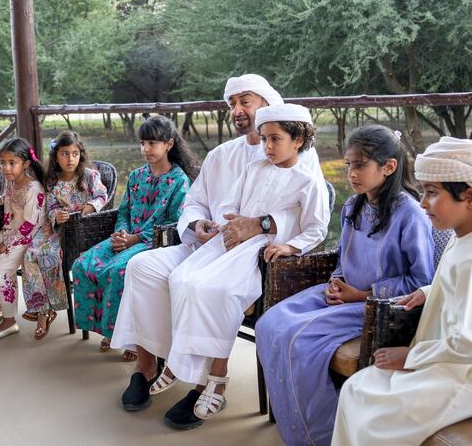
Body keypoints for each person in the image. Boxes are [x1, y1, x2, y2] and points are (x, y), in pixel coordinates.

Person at [112, 75, 324, 428]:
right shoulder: (223, 155)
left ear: (268, 105)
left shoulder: (300, 157)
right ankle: (150, 365)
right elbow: (195, 203)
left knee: (207, 287)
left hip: (252, 252)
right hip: (206, 244)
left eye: (246, 101)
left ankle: (203, 383)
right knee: (142, 267)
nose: (238, 110)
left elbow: (309, 216)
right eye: (231, 104)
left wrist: (262, 225)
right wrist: (198, 225)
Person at [255, 125, 435, 446]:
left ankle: (321, 434)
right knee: (269, 324)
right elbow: (343, 255)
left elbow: (421, 281)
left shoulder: (411, 215)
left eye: (360, 164)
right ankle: (292, 419)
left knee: (299, 342)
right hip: (342, 296)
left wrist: (363, 294)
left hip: (375, 308)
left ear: (389, 167)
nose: (352, 172)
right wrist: (336, 281)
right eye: (349, 164)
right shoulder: (354, 206)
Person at [332, 137, 472, 446]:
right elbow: (468, 286)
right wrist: (432, 291)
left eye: (432, 193)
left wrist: (411, 357)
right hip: (463, 362)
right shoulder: (468, 238)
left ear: (471, 198)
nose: (422, 203)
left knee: (371, 410)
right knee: (358, 388)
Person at [72, 115, 196, 360]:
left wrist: (135, 239)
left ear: (169, 144)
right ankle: (109, 329)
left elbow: (175, 222)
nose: (145, 149)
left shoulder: (180, 181)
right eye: (143, 143)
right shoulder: (137, 176)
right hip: (125, 237)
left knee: (119, 271)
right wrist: (121, 233)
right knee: (82, 264)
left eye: (152, 143)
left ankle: (130, 339)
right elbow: (125, 210)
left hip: (154, 243)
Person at [22, 131, 108, 340]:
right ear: (56, 156)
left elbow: (102, 195)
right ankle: (41, 308)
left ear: (80, 155)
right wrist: (56, 215)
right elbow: (50, 207)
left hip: (84, 231)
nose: (70, 159)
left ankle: (53, 305)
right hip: (59, 229)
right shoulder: (53, 181)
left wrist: (88, 208)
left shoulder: (89, 176)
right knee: (31, 253)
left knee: (51, 254)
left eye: (74, 154)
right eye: (64, 154)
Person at [0, 138, 46, 340]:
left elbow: (29, 225)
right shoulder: (11, 183)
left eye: (12, 163)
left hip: (28, 238)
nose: (6, 168)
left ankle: (10, 321)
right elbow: (9, 213)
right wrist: (2, 237)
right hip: (9, 233)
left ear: (25, 164)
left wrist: (7, 244)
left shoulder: (34, 189)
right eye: (3, 163)